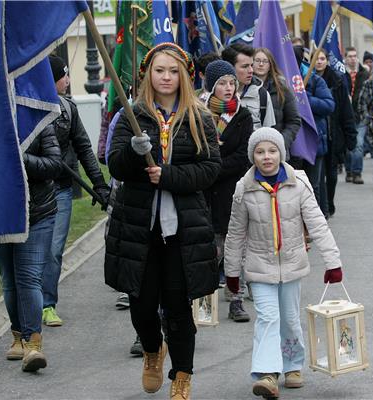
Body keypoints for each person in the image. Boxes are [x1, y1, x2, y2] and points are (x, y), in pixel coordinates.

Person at [105, 42, 221, 399]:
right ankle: (153, 351)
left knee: (177, 307)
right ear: (148, 75)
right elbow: (115, 166)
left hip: (182, 230)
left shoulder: (199, 117)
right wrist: (131, 152)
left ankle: (182, 375)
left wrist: (168, 176)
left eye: (173, 71)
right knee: (141, 306)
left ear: (184, 76)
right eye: (160, 70)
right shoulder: (131, 114)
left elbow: (210, 169)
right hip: (139, 227)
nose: (166, 77)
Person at [224, 127, 344, 397]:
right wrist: (232, 272)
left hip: (291, 264)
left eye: (272, 150)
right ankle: (267, 373)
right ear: (252, 156)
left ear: (281, 153)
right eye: (260, 151)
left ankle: (292, 366)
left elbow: (317, 224)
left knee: (289, 319)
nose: (267, 156)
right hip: (259, 266)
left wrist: (332, 262)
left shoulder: (297, 183)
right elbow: (235, 233)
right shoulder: (244, 188)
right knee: (268, 317)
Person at [41, 55, 110, 327]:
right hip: (33, 192)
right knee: (33, 252)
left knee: (54, 250)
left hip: (61, 191)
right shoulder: (27, 110)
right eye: (63, 75)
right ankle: (30, 302)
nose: (68, 81)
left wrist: (100, 185)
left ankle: (48, 304)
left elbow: (84, 149)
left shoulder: (69, 109)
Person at [0, 119, 63, 372]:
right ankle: (18, 335)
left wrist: (18, 156)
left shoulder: (39, 119)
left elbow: (54, 164)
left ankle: (34, 343)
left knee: (29, 277)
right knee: (9, 278)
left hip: (37, 214)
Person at [201, 60, 254, 323]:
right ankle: (203, 302)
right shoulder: (199, 113)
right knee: (210, 251)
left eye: (232, 82)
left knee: (235, 250)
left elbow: (244, 156)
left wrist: (213, 168)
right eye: (222, 83)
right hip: (204, 193)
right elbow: (197, 150)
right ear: (211, 86)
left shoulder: (242, 116)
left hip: (231, 192)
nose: (229, 88)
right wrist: (206, 170)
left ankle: (236, 300)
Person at [313, 48, 357, 216]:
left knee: (331, 174)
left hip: (333, 134)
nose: (319, 62)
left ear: (327, 60)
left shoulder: (337, 81)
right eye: (316, 58)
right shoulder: (306, 80)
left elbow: (346, 110)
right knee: (319, 173)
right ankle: (321, 207)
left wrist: (350, 135)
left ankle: (329, 203)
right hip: (317, 135)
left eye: (322, 58)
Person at [292, 45, 335, 217]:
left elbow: (328, 105)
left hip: (312, 140)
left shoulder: (315, 80)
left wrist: (305, 98)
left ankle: (313, 223)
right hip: (291, 141)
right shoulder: (280, 79)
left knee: (312, 185)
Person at [253, 47, 302, 161]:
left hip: (277, 152)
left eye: (265, 61)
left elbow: (294, 121)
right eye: (257, 60)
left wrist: (281, 141)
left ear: (270, 65)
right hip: (250, 152)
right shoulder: (243, 88)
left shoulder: (282, 89)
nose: (261, 64)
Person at [221, 43, 276, 129]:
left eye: (251, 65)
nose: (251, 70)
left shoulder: (262, 95)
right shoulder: (213, 95)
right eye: (245, 66)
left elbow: (268, 135)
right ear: (230, 67)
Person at [344, 46, 371, 184]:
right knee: (349, 146)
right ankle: (348, 170)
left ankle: (357, 172)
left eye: (354, 56)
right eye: (350, 56)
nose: (353, 59)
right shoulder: (341, 73)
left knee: (359, 144)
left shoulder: (364, 73)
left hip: (360, 115)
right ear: (345, 58)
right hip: (346, 115)